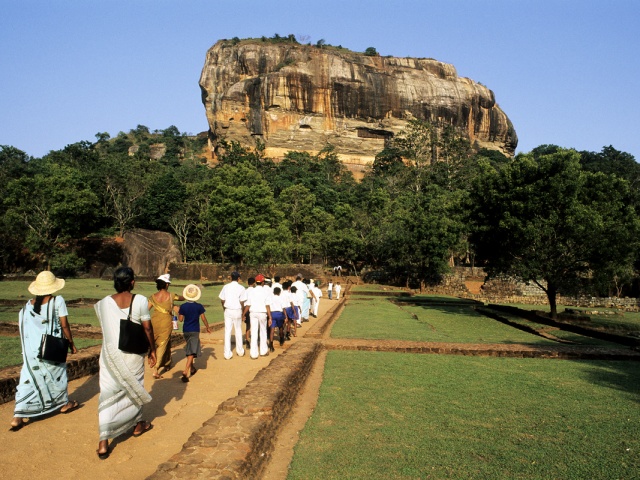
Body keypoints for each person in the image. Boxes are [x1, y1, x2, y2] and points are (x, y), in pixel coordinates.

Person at [95, 266, 157, 459]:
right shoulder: (139, 300)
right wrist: (152, 349)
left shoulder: (104, 303)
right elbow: (147, 328)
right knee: (133, 388)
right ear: (132, 282)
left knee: (107, 395)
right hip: (132, 356)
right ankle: (137, 424)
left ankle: (103, 442)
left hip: (110, 357)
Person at [10, 271, 79, 431]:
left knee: (28, 379)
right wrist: (71, 343)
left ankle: (17, 416)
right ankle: (63, 404)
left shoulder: (28, 306)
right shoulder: (58, 301)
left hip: (31, 350)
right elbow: (64, 325)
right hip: (50, 348)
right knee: (57, 374)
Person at [148, 274, 184, 379]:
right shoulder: (171, 295)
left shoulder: (152, 297)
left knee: (163, 342)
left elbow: (146, 309)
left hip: (155, 321)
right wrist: (190, 294)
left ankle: (167, 362)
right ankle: (156, 368)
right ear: (166, 285)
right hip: (166, 322)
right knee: (163, 343)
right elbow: (182, 298)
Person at [178, 284, 211, 382]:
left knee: (189, 348)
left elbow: (180, 319)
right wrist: (207, 327)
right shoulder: (199, 306)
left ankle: (192, 368)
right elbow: (203, 318)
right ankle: (186, 370)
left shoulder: (183, 306)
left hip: (186, 330)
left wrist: (178, 312)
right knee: (192, 351)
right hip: (195, 330)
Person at [242, 274, 272, 359]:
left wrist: (243, 314)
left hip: (253, 313)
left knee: (254, 332)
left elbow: (248, 305)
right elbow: (267, 305)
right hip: (262, 313)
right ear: (263, 282)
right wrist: (270, 316)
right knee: (263, 331)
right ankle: (263, 351)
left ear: (256, 282)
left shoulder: (251, 291)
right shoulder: (266, 291)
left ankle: (253, 354)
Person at [219, 271, 246, 360]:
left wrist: (224, 308)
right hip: (237, 310)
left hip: (228, 310)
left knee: (227, 331)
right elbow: (242, 301)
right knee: (238, 330)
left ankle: (227, 353)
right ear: (238, 278)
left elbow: (222, 300)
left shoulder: (226, 287)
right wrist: (242, 312)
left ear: (230, 277)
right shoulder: (241, 288)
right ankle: (240, 351)